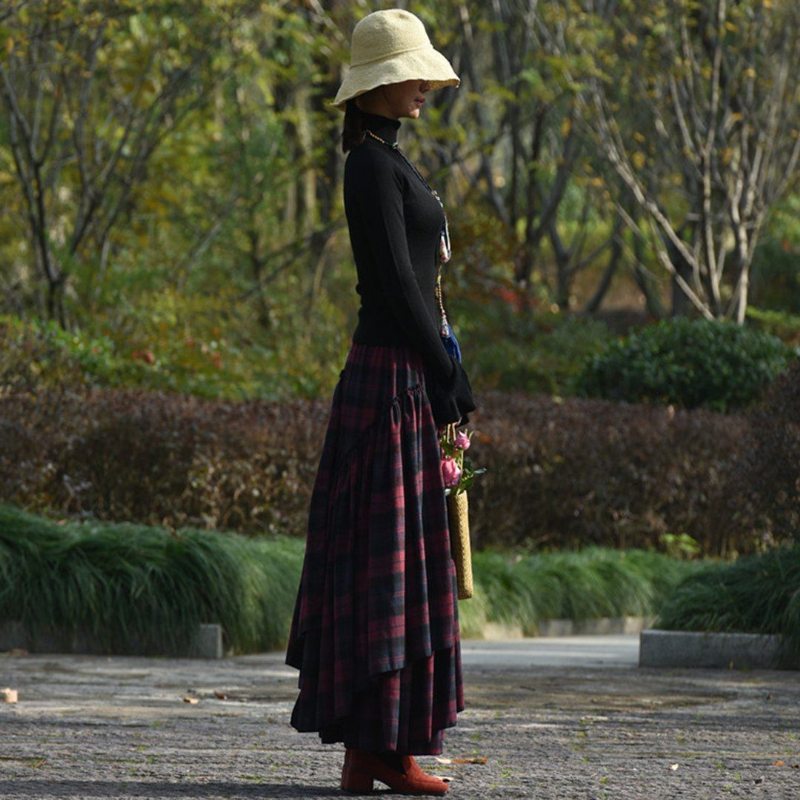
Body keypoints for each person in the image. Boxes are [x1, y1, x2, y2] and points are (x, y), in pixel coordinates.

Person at [285, 9, 476, 796]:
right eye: (413, 73)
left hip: (402, 374)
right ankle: (377, 749)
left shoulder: (390, 160)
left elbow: (415, 280)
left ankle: (382, 749)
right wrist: (442, 373)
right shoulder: (368, 166)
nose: (426, 85)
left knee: (400, 561)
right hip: (390, 382)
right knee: (385, 562)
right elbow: (397, 285)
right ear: (377, 85)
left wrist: (442, 367)